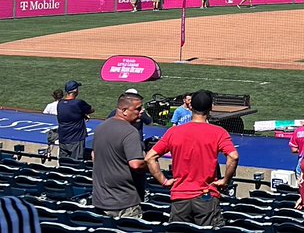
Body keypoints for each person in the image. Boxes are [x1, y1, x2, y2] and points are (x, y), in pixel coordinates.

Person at [145, 89, 239, 227]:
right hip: (206, 196)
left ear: (191, 106)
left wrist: (164, 181)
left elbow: (149, 157)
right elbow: (233, 156)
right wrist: (225, 180)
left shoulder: (173, 132)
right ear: (210, 108)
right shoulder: (219, 132)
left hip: (180, 198)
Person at [92, 91, 148, 219]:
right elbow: (135, 164)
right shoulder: (130, 132)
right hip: (124, 203)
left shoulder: (101, 127)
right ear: (124, 110)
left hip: (101, 200)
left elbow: (94, 156)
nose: (141, 112)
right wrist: (150, 165)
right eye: (138, 109)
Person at [56, 79, 93, 163]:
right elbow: (90, 109)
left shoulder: (60, 103)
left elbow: (70, 114)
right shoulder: (78, 103)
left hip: (63, 139)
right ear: (75, 91)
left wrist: (82, 115)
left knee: (63, 165)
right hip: (76, 140)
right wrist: (83, 114)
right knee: (76, 165)